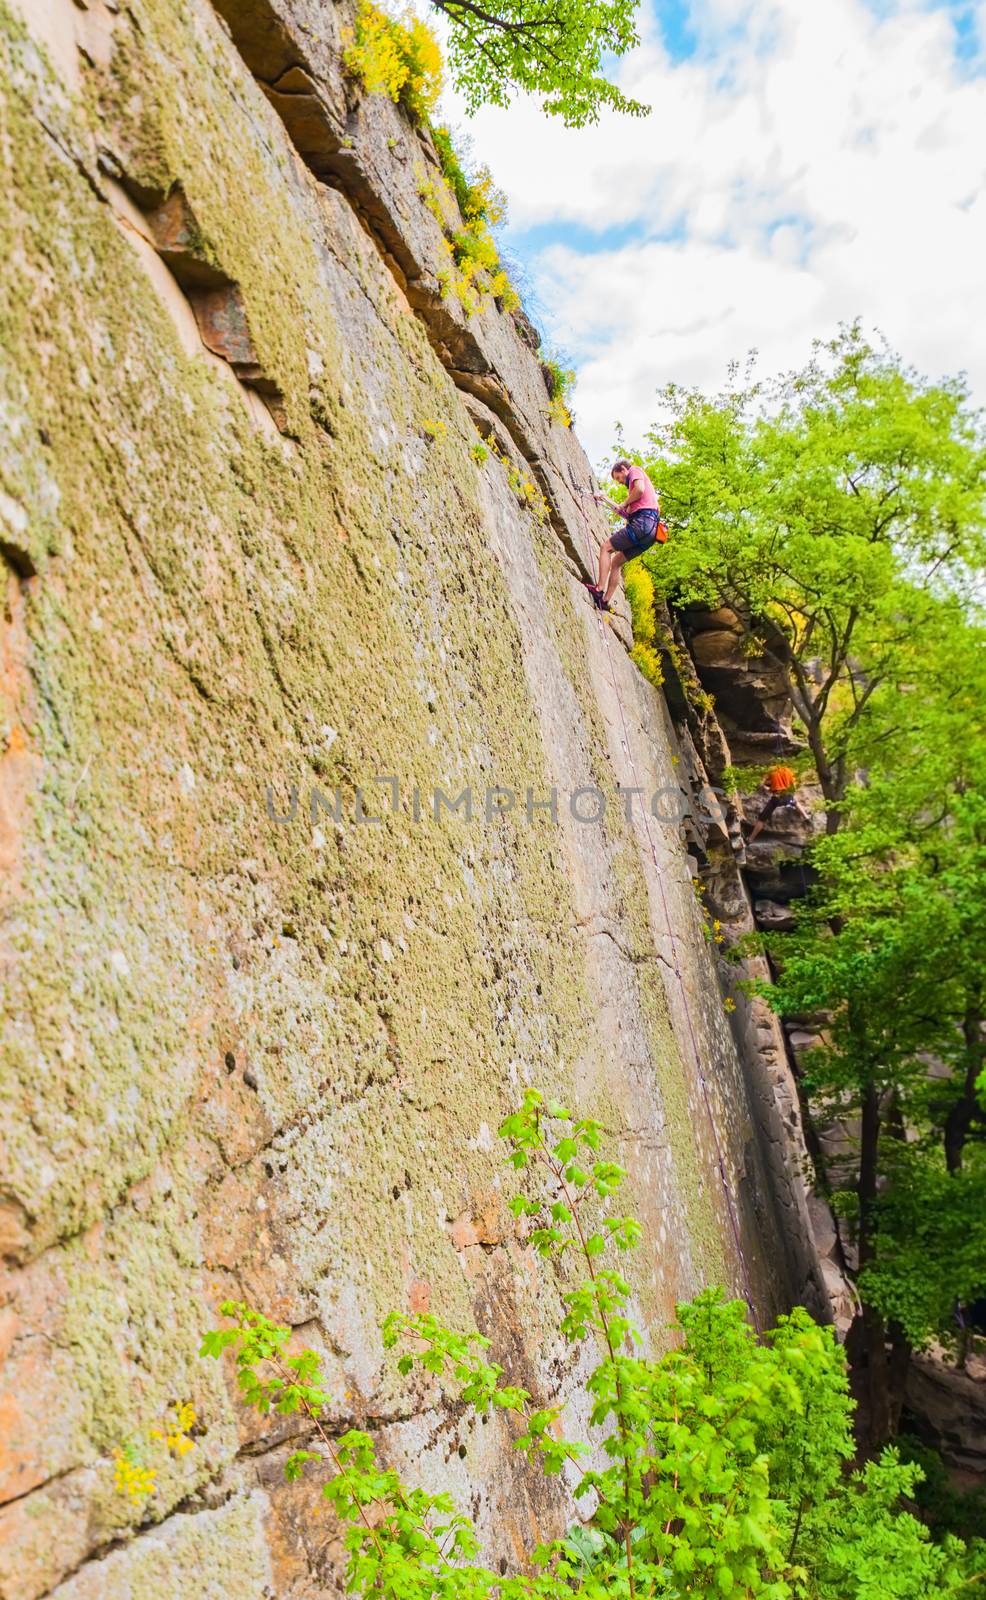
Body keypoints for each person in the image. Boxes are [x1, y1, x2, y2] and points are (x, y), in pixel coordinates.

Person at [586, 459, 663, 610]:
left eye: (619, 477)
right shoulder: (636, 498)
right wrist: (605, 499)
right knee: (616, 563)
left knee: (606, 547)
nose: (621, 482)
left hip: (643, 524)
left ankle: (599, 589)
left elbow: (639, 489)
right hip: (650, 535)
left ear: (623, 469)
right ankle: (605, 601)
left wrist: (625, 502)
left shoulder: (635, 470)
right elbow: (625, 513)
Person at [748, 764, 807, 841]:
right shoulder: (788, 771)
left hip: (776, 799)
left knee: (762, 819)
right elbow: (794, 784)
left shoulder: (772, 771)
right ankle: (806, 817)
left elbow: (766, 785)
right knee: (795, 802)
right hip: (787, 797)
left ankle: (750, 838)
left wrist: (769, 788)